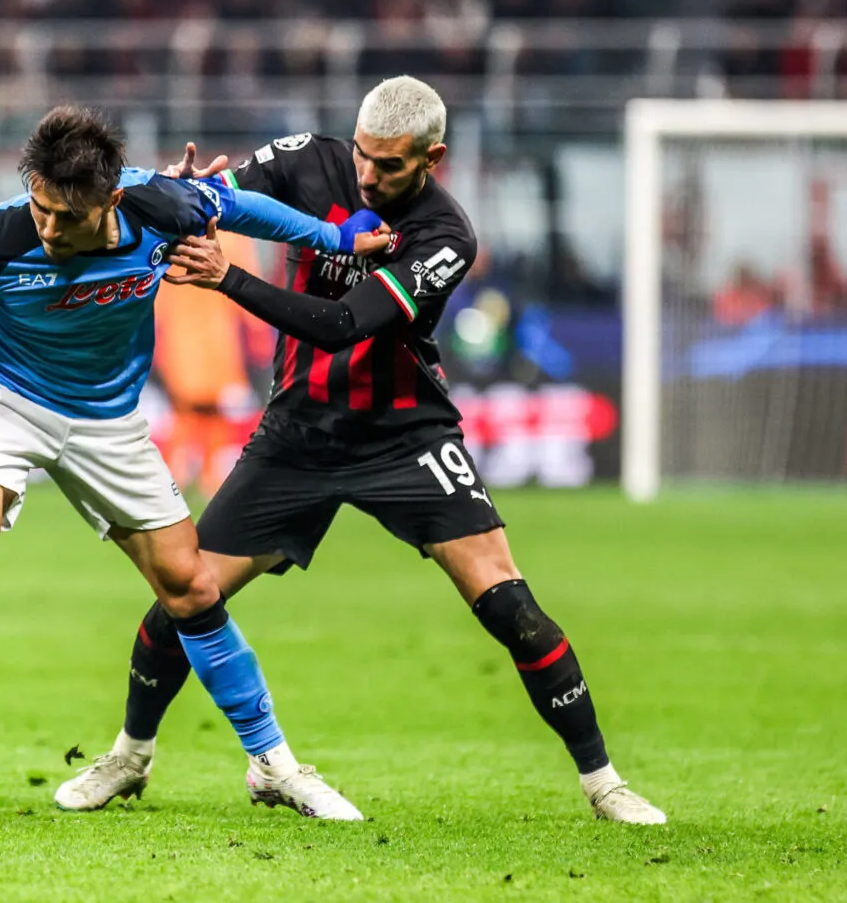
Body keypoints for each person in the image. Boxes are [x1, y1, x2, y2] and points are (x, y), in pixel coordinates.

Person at [55, 77, 667, 826]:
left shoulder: (447, 236)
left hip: (404, 437)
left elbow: (342, 324)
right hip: (298, 433)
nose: (368, 175)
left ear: (432, 158)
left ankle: (604, 783)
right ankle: (131, 755)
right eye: (362, 155)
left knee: (513, 607)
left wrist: (229, 277)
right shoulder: (311, 160)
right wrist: (184, 194)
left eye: (389, 164)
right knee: (184, 595)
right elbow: (220, 198)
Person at [0, 106, 391, 818]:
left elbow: (245, 210)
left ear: (111, 198)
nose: (48, 228)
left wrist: (334, 236)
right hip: (1, 397)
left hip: (107, 419)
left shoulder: (164, 206)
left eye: (66, 217)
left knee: (190, 586)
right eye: (40, 207)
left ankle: (273, 765)